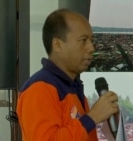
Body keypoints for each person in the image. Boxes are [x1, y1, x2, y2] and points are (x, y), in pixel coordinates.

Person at [16, 8, 119, 141]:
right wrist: (93, 117)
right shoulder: (40, 88)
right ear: (57, 45)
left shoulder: (73, 88)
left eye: (91, 41)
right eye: (83, 40)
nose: (91, 48)